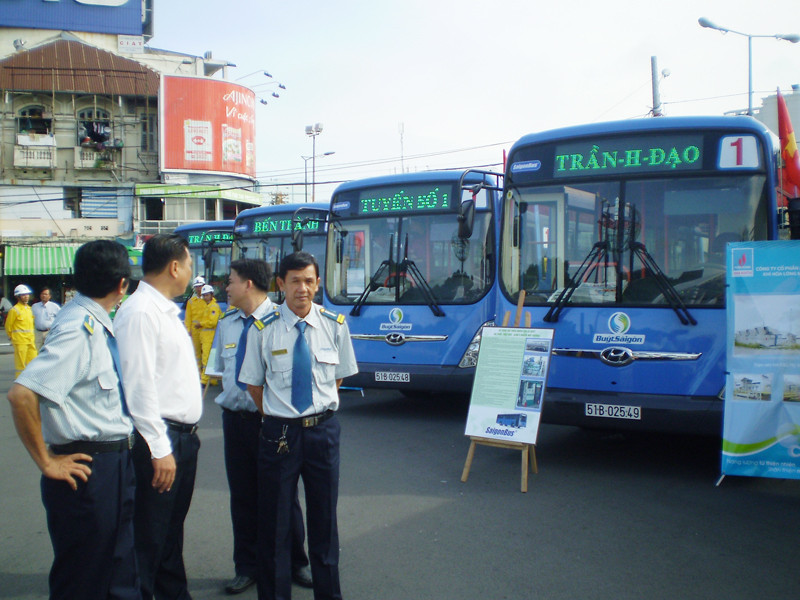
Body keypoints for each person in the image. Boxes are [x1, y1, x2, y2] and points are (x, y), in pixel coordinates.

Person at [7, 240, 138, 599]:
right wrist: (46, 461)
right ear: (122, 284)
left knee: (117, 569)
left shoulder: (91, 320)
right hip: (89, 469)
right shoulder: (79, 329)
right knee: (85, 577)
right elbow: (21, 394)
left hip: (111, 464)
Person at [240, 251, 357, 600]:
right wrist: (280, 416)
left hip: (323, 432)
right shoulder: (263, 329)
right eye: (294, 281)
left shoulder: (335, 325)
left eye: (308, 281)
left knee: (325, 522)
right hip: (280, 433)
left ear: (318, 283)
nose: (302, 288)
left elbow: (336, 379)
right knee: (275, 525)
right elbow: (254, 385)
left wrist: (315, 412)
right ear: (281, 284)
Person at [213, 259, 313, 595]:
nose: (226, 287)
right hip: (235, 420)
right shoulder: (226, 323)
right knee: (242, 496)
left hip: (272, 422)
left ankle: (296, 561)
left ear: (249, 284)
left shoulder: (280, 320)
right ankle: (247, 566)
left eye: (231, 281)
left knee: (283, 497)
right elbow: (221, 370)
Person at [115, 233, 203, 600]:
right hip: (161, 439)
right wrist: (159, 448)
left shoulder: (164, 309)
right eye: (190, 264)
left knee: (169, 533)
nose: (191, 272)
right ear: (174, 267)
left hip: (181, 437)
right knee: (149, 537)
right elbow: (138, 386)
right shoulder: (140, 312)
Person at [5, 284, 37, 377]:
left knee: (34, 362)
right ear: (18, 297)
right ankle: (20, 382)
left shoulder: (30, 309)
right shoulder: (14, 310)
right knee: (21, 365)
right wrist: (12, 337)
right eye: (23, 295)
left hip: (30, 340)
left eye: (27, 294)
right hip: (20, 341)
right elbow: (8, 326)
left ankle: (31, 381)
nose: (26, 296)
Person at [197, 283, 221, 386]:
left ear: (211, 295)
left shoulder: (213, 307)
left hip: (209, 336)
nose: (205, 297)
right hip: (206, 336)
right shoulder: (208, 306)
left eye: (207, 295)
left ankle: (205, 380)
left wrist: (201, 324)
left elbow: (213, 322)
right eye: (204, 295)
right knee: (209, 358)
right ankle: (211, 379)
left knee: (206, 358)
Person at [185, 275, 206, 370]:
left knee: (206, 352)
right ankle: (198, 372)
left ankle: (206, 373)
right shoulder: (191, 301)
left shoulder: (208, 300)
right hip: (195, 331)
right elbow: (188, 317)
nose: (198, 288)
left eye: (200, 286)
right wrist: (188, 330)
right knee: (196, 352)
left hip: (206, 329)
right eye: (196, 286)